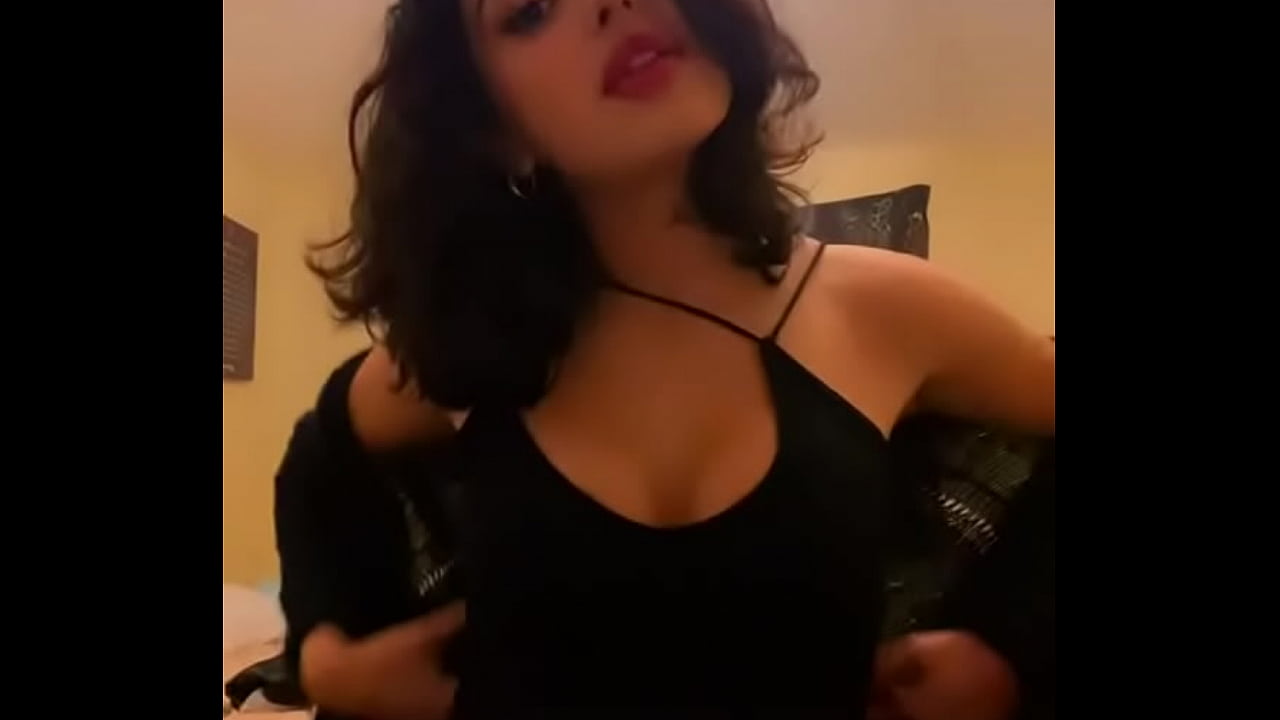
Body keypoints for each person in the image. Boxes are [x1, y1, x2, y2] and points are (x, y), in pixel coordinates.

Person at [295, 0, 1055, 717]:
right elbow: (321, 462)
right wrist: (328, 660)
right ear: (496, 131)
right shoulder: (472, 346)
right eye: (531, 9)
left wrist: (1007, 644)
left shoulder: (883, 311)